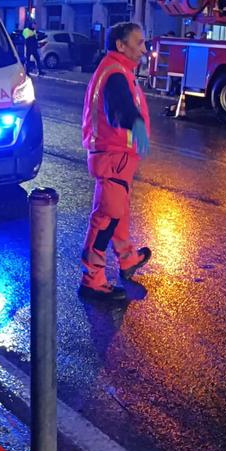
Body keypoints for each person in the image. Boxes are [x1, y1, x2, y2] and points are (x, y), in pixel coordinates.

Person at [79, 22, 152, 301]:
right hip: (113, 155)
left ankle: (127, 258)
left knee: (117, 211)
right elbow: (119, 109)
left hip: (117, 155)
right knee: (106, 217)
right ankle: (92, 280)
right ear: (121, 45)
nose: (144, 49)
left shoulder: (117, 69)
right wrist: (136, 124)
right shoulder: (115, 74)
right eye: (139, 42)